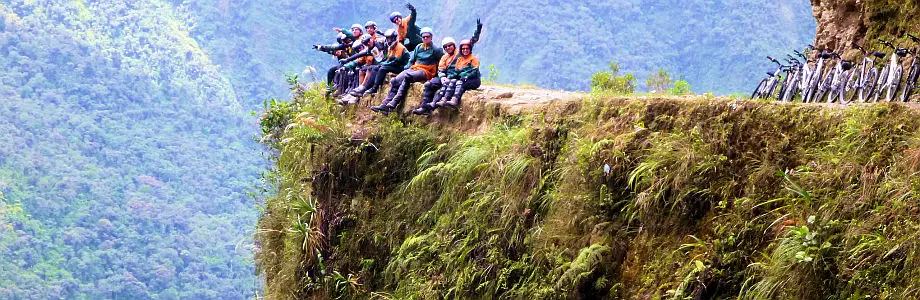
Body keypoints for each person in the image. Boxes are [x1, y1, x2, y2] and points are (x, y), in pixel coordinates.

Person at [371, 27, 443, 114]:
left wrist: (437, 75)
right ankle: (385, 105)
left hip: (426, 71)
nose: (425, 38)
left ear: (431, 37)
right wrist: (407, 68)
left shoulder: (436, 49)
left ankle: (394, 102)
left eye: (427, 36)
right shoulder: (419, 47)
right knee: (395, 80)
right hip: (415, 68)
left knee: (408, 77)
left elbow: (442, 62)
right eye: (423, 37)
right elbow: (411, 60)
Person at [349, 29, 410, 98]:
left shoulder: (400, 47)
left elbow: (396, 61)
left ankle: (375, 88)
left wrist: (384, 64)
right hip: (396, 65)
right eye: (388, 38)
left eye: (391, 38)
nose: (389, 40)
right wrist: (383, 63)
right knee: (376, 67)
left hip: (403, 67)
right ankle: (366, 87)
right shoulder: (391, 47)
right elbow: (389, 59)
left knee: (382, 68)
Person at [412, 37, 457, 115]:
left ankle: (433, 104)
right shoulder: (444, 57)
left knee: (444, 87)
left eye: (449, 45)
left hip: (455, 77)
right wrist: (442, 76)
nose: (448, 48)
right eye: (445, 47)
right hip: (445, 77)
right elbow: (441, 69)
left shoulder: (459, 54)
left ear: (454, 45)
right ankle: (425, 108)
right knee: (429, 84)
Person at [439, 39, 481, 108]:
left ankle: (455, 99)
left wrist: (467, 76)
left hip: (473, 80)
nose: (465, 50)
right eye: (463, 49)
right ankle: (444, 99)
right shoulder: (459, 59)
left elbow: (474, 71)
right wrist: (451, 77)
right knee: (452, 81)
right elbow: (457, 71)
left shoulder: (473, 59)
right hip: (463, 78)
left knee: (459, 83)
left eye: (467, 49)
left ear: (470, 49)